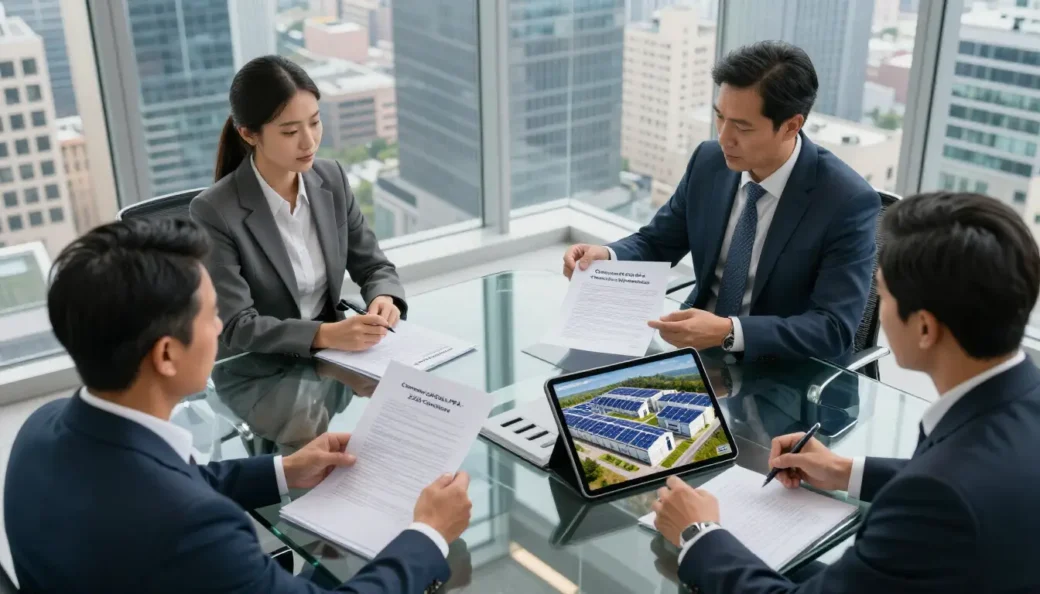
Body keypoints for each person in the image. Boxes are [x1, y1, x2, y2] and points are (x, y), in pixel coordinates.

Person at [4, 218, 472, 593]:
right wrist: (428, 534)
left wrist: (285, 470)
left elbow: (167, 477)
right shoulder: (191, 528)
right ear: (166, 355)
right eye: (212, 315)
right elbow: (172, 503)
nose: (221, 326)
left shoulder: (41, 430)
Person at [652, 192, 1040, 593]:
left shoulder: (935, 495)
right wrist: (844, 471)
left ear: (925, 328)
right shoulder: (1023, 400)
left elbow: (944, 493)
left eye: (883, 294)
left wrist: (699, 534)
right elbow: (972, 482)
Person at [563, 41, 879, 364]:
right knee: (577, 373)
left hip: (783, 371)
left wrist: (729, 332)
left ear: (791, 126)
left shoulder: (846, 202)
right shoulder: (709, 161)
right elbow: (657, 243)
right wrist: (608, 256)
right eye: (720, 117)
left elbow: (833, 329)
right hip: (695, 352)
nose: (724, 138)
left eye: (742, 127)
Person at [190, 55, 403, 359]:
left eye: (315, 122)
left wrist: (383, 296)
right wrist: (325, 334)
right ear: (249, 134)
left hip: (336, 359)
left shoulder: (332, 179)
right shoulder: (214, 211)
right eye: (290, 132)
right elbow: (237, 325)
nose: (309, 142)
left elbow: (373, 266)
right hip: (261, 368)